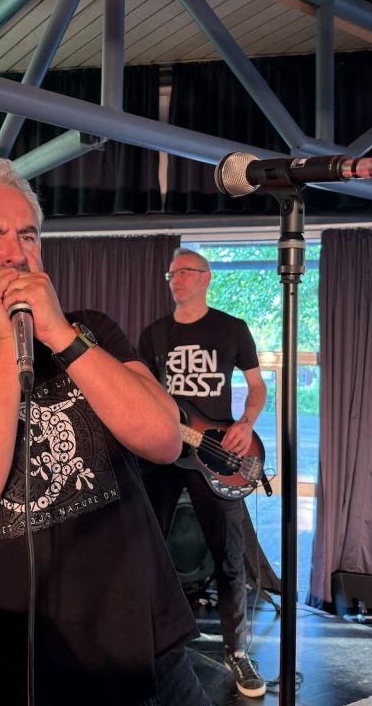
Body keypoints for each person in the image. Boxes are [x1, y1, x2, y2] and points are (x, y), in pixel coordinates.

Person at [0, 156, 209, 706]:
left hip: (151, 656)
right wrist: (5, 345)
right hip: (14, 676)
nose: (15, 253)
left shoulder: (90, 330)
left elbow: (164, 439)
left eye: (27, 235)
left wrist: (60, 335)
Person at [138, 248, 269, 699]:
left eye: (185, 272)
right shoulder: (154, 334)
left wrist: (245, 424)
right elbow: (141, 392)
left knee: (230, 556)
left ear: (206, 278)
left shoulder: (232, 329)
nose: (175, 278)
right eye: (171, 273)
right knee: (147, 548)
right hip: (163, 451)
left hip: (215, 454)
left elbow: (256, 386)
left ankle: (238, 652)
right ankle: (149, 641)